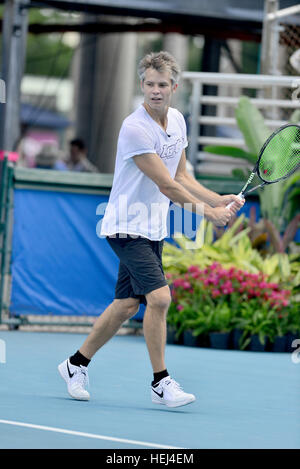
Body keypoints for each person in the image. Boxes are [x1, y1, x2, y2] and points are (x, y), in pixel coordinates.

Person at [58, 51, 244, 408]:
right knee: (159, 298)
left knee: (127, 305)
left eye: (162, 84)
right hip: (126, 226)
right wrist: (208, 213)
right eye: (149, 84)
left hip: (153, 227)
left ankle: (75, 364)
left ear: (174, 87)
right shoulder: (134, 128)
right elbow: (166, 186)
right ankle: (161, 383)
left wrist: (216, 198)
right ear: (141, 85)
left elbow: (182, 175)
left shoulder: (177, 120)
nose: (155, 91)